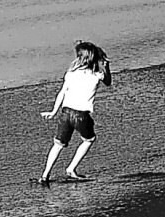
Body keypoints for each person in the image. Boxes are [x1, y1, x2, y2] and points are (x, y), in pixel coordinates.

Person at [38, 41, 111, 184]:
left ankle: (45, 175)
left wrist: (53, 111)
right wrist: (106, 67)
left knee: (58, 144)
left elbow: (62, 93)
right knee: (89, 139)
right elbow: (108, 82)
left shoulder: (71, 73)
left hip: (65, 112)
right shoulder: (97, 74)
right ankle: (71, 168)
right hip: (81, 115)